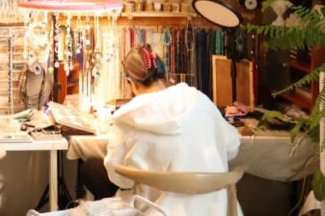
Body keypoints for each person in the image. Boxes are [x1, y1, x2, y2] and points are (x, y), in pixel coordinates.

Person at [101, 44, 242, 216]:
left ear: (131, 83)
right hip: (218, 211)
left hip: (156, 212)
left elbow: (119, 178)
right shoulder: (200, 100)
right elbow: (232, 147)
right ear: (164, 76)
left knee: (92, 170)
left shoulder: (127, 119)